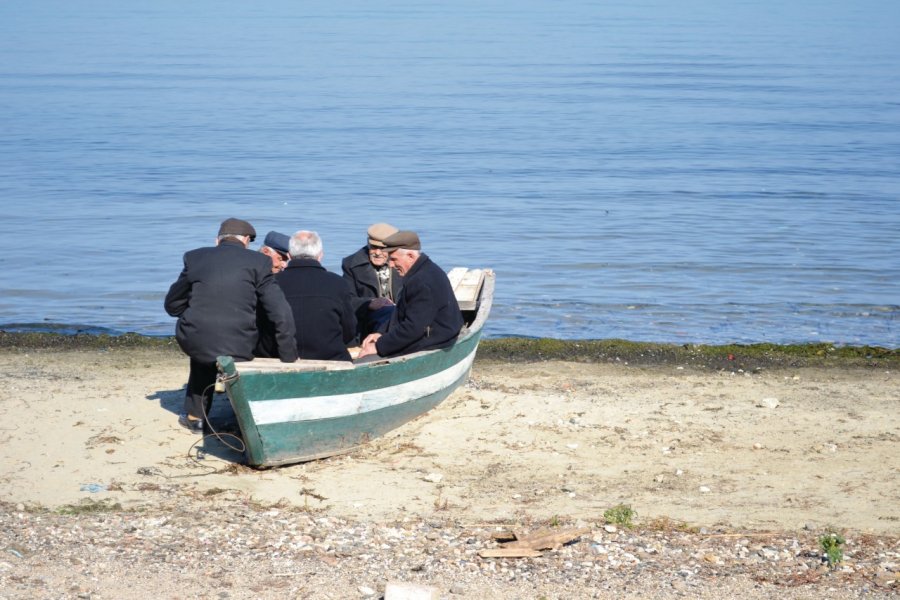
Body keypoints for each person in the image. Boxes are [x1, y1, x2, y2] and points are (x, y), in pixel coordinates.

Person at [164, 218, 298, 434]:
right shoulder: (259, 262)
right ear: (246, 240)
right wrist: (288, 355)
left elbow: (172, 305)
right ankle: (241, 415)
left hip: (195, 338)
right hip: (240, 343)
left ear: (218, 240)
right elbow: (279, 311)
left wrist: (192, 314)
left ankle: (195, 417)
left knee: (203, 349)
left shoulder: (195, 257)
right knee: (226, 342)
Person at [357, 230, 464, 359]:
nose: (390, 265)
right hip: (430, 331)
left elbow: (413, 328)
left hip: (437, 339)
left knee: (368, 357)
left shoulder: (422, 282)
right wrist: (381, 333)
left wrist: (379, 346)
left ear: (410, 256)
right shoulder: (423, 270)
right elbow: (402, 311)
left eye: (394, 259)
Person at [277, 230, 357, 361]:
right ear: (320, 256)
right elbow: (349, 330)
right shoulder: (338, 283)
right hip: (330, 356)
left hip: (281, 356)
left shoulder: (271, 283)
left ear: (289, 256)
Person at [341, 222, 403, 340]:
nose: (377, 253)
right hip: (368, 323)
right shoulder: (352, 264)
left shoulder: (402, 263)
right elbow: (346, 300)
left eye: (383, 248)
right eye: (374, 247)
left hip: (400, 319)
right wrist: (371, 303)